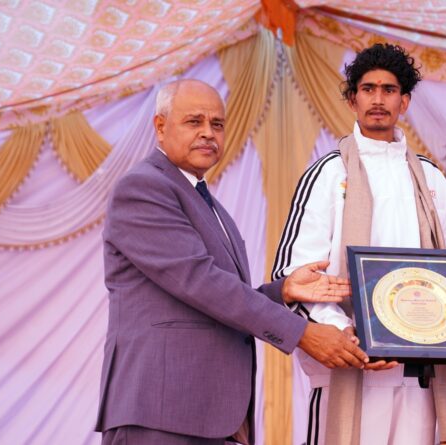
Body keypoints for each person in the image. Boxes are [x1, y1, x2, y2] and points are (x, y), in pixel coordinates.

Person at [95, 79, 369, 445]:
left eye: (217, 124)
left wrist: (282, 292)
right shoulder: (144, 188)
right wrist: (303, 333)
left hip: (209, 413)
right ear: (160, 127)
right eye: (194, 122)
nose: (208, 133)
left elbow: (212, 296)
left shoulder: (205, 200)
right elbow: (200, 281)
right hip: (160, 410)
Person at [272, 44, 446, 445]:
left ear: (404, 102)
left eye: (389, 90)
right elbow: (294, 274)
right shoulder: (327, 173)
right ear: (352, 100)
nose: (378, 99)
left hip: (421, 372)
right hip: (349, 364)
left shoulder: (430, 177)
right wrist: (345, 335)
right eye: (368, 89)